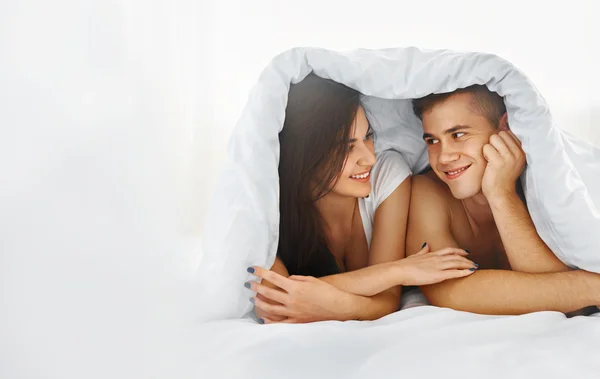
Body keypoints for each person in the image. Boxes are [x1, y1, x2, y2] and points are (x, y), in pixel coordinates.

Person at [245, 73, 478, 323]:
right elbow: (276, 299)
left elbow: (387, 301)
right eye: (346, 147)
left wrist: (326, 304)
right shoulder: (270, 204)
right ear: (304, 155)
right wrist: (399, 270)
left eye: (367, 137)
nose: (369, 158)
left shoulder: (387, 175)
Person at [406, 85, 600, 315]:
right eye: (432, 141)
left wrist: (501, 193)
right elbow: (449, 290)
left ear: (505, 127)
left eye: (458, 135)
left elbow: (567, 306)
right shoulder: (426, 193)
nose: (444, 157)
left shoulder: (544, 182)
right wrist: (592, 287)